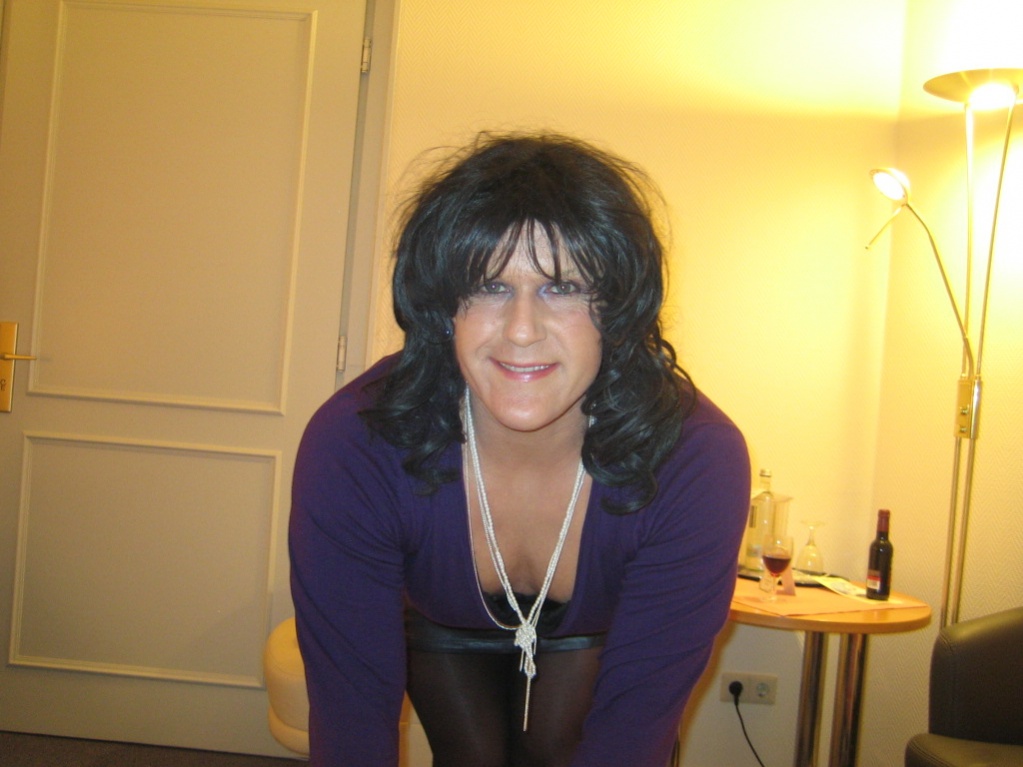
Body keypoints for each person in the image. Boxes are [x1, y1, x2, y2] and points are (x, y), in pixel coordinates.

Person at [289, 132, 750, 767]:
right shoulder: (356, 444)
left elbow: (633, 731)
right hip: (440, 621)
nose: (522, 330)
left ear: (618, 307)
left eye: (563, 287)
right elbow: (351, 719)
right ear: (442, 306)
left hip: (599, 632)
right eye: (488, 286)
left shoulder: (694, 460)